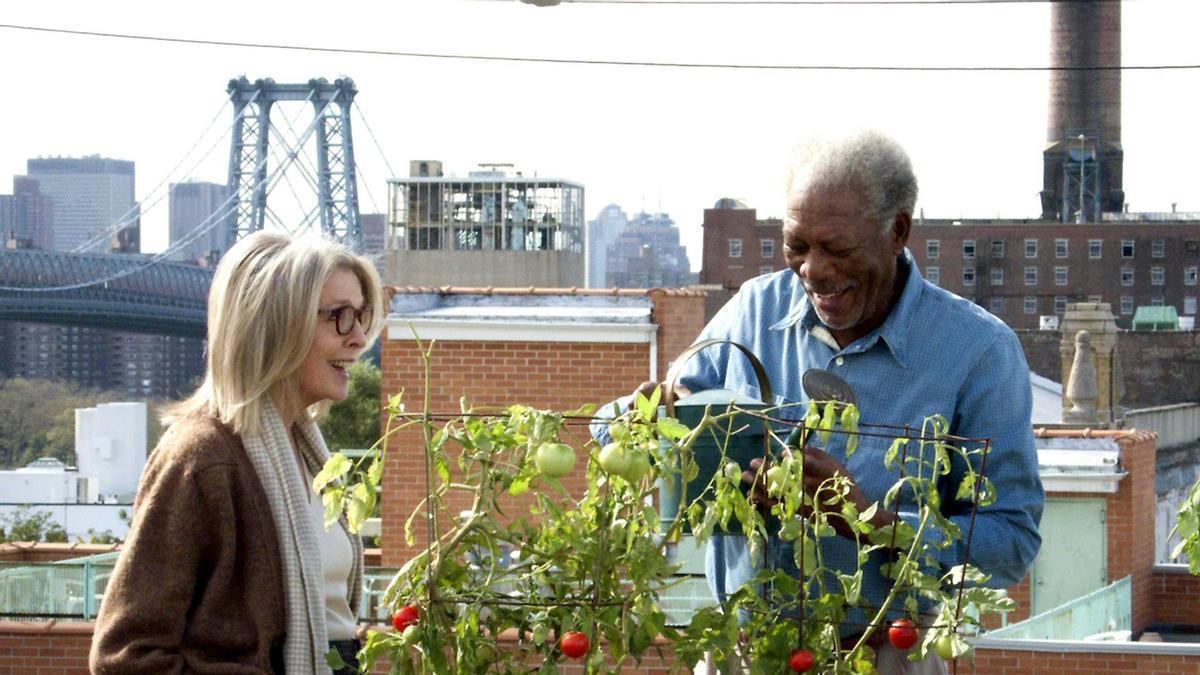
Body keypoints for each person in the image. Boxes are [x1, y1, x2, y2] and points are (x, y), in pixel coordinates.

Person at [612, 130, 1043, 673]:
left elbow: (1011, 541)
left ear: (898, 231)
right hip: (746, 654)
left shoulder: (977, 350)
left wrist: (871, 520)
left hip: (885, 656)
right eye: (797, 245)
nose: (812, 269)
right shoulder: (754, 310)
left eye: (837, 248)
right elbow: (627, 426)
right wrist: (649, 414)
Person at [90, 231, 387, 674]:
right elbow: (126, 656)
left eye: (361, 316)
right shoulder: (202, 457)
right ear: (274, 325)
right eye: (340, 317)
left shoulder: (308, 455)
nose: (359, 338)